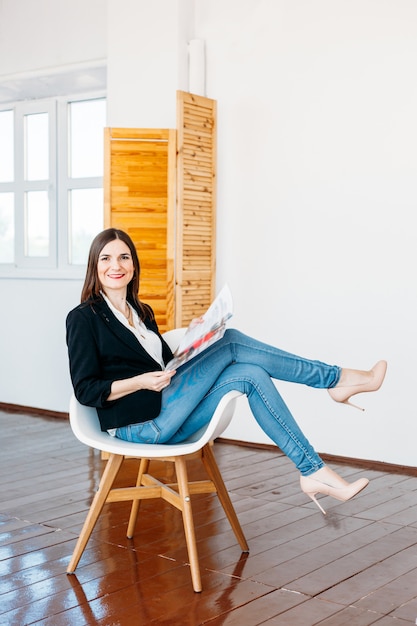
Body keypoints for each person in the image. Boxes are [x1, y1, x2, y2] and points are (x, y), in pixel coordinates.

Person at [66, 228, 387, 515]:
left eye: (124, 257)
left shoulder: (142, 312)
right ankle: (336, 379)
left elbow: (163, 367)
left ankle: (312, 471)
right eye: (106, 258)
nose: (116, 265)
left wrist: (195, 339)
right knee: (231, 341)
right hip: (139, 425)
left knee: (251, 375)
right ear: (95, 266)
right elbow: (86, 390)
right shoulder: (83, 318)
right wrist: (140, 382)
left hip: (168, 414)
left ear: (134, 265)